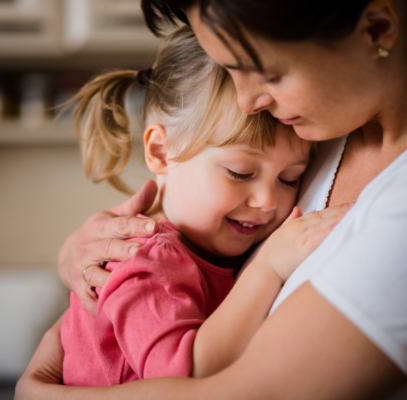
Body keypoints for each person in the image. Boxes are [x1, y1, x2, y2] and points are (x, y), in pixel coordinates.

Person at [15, 0, 407, 398]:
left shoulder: (320, 129)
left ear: (375, 29)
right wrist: (76, 253)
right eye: (239, 173)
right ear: (161, 153)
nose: (248, 102)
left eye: (270, 73)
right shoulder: (319, 120)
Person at [60, 26, 344, 386]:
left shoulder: (210, 248)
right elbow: (183, 377)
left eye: (289, 178)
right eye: (240, 172)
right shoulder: (148, 260)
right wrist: (268, 269)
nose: (268, 201)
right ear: (161, 152)